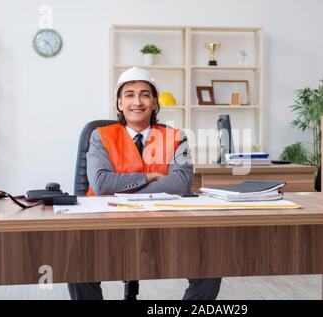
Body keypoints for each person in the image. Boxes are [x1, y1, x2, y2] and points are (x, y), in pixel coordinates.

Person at [67, 67, 222, 300]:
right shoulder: (100, 135)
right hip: (107, 226)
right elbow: (100, 184)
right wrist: (148, 177)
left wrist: (121, 190)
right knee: (77, 268)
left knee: (209, 271)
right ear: (119, 103)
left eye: (144, 94)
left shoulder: (176, 137)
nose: (137, 101)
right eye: (129, 95)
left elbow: (181, 183)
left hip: (163, 226)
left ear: (154, 103)